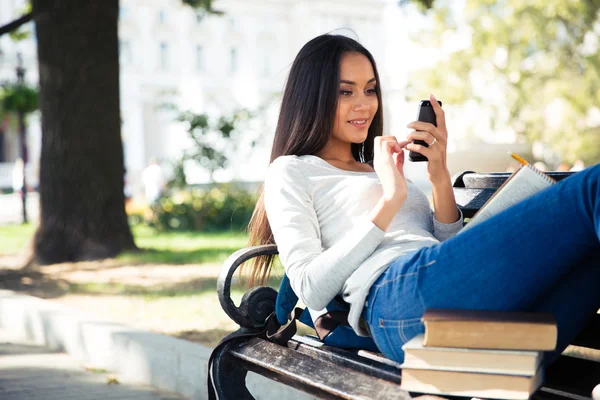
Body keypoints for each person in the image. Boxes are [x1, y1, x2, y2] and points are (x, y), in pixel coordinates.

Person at [246, 33, 600, 366]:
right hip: (395, 301)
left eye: (370, 90)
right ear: (312, 96)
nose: (364, 104)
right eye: (345, 92)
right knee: (592, 189)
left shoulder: (380, 166)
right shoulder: (292, 171)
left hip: (448, 298)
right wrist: (390, 198)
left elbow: (442, 256)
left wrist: (439, 177)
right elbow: (310, 286)